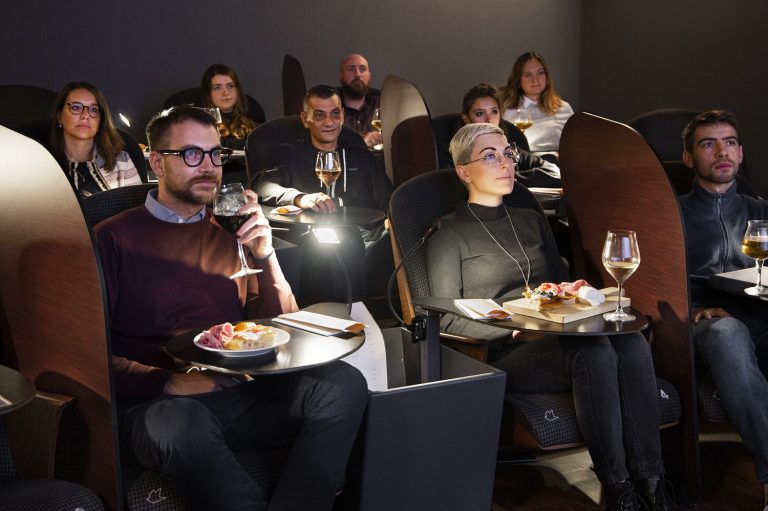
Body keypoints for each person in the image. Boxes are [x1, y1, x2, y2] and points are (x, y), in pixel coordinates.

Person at [94, 105, 368, 511]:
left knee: (343, 385)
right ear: (157, 163)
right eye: (190, 154)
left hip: (237, 392)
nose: (208, 167)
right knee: (184, 422)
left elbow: (282, 323)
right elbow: (86, 354)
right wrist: (166, 382)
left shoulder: (231, 229)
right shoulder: (112, 238)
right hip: (158, 405)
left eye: (214, 154)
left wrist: (266, 255)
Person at [426, 123, 674, 511]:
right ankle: (618, 488)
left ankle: (653, 482)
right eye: (489, 156)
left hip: (558, 334)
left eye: (507, 153)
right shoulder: (447, 233)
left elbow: (561, 286)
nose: (505, 163)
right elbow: (445, 319)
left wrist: (577, 296)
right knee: (593, 354)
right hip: (502, 354)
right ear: (463, 170)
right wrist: (511, 333)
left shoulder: (530, 217)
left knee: (629, 341)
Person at [678, 109, 768, 510]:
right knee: (727, 332)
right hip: (702, 326)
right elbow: (650, 286)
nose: (721, 152)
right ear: (688, 158)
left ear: (742, 152)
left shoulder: (760, 210)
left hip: (758, 317)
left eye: (729, 142)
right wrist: (693, 310)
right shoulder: (670, 214)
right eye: (707, 143)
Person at [256, 85, 394, 303]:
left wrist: (392, 223)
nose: (329, 123)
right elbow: (263, 187)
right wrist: (301, 197)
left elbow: (388, 199)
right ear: (305, 118)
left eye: (335, 114)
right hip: (311, 239)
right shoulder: (291, 154)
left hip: (364, 238)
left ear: (342, 116)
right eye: (319, 116)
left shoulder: (360, 156)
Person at [437, 82, 561, 188]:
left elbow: (553, 172)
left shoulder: (509, 150)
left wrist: (510, 178)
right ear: (467, 119)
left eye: (494, 112)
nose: (489, 119)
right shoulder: (453, 153)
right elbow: (453, 188)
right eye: (480, 113)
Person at [50, 81, 142, 198]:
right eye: (76, 107)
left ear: (100, 120)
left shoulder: (121, 161)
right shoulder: (42, 163)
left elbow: (136, 211)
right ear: (59, 117)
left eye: (93, 109)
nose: (85, 115)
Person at [499, 52, 574, 156]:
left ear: (547, 78)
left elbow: (575, 144)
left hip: (558, 164)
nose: (535, 79)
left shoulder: (563, 108)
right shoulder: (506, 109)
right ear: (519, 80)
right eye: (528, 75)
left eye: (540, 73)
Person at [201, 63, 262, 179]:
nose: (225, 92)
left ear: (238, 89)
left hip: (251, 178)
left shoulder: (253, 111)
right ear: (208, 94)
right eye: (217, 88)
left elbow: (261, 143)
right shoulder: (201, 121)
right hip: (215, 179)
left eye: (230, 86)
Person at [338, 53, 382, 150]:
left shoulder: (384, 105)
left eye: (362, 69)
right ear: (341, 76)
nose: (357, 75)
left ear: (369, 76)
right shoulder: (330, 110)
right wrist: (362, 143)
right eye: (351, 69)